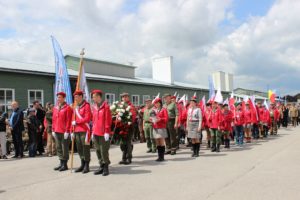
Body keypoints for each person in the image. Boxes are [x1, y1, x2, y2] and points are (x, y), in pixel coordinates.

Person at [91, 90, 112, 176]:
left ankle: (106, 166)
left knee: (104, 150)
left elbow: (108, 120)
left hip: (103, 133)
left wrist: (107, 131)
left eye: (94, 97)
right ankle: (101, 165)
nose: (93, 98)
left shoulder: (106, 107)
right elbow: (94, 120)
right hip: (96, 131)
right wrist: (92, 131)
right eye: (92, 97)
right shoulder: (94, 107)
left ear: (99, 97)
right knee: (98, 150)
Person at [71, 90, 92, 174]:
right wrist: (71, 130)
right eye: (74, 97)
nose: (75, 98)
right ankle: (82, 163)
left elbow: (87, 118)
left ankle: (87, 164)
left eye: (76, 96)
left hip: (84, 130)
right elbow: (73, 118)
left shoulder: (86, 106)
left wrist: (77, 122)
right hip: (76, 130)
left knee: (85, 147)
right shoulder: (76, 106)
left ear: (81, 96)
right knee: (79, 148)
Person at [52, 92, 72, 172]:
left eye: (60, 97)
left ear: (64, 98)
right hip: (56, 130)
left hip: (64, 131)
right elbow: (53, 119)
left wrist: (67, 131)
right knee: (58, 147)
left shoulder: (68, 108)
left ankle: (65, 164)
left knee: (65, 148)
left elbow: (68, 120)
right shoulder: (55, 108)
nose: (58, 99)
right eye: (58, 97)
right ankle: (61, 162)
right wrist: (53, 129)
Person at [118, 93, 136, 165]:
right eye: (123, 97)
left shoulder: (131, 106)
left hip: (129, 126)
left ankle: (128, 158)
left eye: (126, 97)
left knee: (128, 142)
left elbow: (133, 116)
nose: (124, 98)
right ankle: (124, 157)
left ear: (128, 98)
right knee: (122, 144)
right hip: (121, 127)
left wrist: (128, 121)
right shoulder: (119, 106)